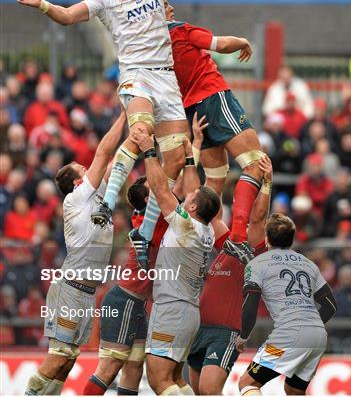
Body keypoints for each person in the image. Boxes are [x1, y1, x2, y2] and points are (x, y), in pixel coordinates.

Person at [14, 0, 232, 274]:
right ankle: (106, 200)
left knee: (176, 160)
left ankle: (144, 232)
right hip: (136, 76)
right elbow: (68, 17)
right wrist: (44, 5)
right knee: (141, 130)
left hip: (166, 78)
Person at [24, 108, 126, 396]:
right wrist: (123, 116)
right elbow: (104, 154)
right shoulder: (77, 197)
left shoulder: (94, 198)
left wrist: (135, 138)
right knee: (58, 356)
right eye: (82, 169)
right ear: (77, 182)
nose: (88, 168)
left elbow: (115, 162)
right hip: (71, 288)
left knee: (68, 360)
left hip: (86, 291)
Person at [163, 0, 266, 248]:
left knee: (215, 182)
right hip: (213, 97)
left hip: (191, 111)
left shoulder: (147, 45)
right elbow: (220, 44)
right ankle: (241, 237)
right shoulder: (179, 31)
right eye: (165, 4)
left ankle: (220, 247)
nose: (172, 7)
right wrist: (242, 41)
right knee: (258, 166)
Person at [129, 128, 219, 396]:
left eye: (190, 199)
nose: (186, 196)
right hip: (188, 310)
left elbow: (159, 188)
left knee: (158, 378)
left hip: (171, 308)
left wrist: (149, 150)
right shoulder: (206, 229)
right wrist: (194, 152)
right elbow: (194, 192)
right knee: (176, 379)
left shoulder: (185, 226)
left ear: (192, 208)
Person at [187, 155, 272, 396]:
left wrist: (266, 184)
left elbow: (257, 219)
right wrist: (216, 168)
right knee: (199, 392)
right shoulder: (228, 246)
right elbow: (211, 216)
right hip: (200, 327)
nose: (242, 224)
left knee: (208, 390)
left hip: (225, 331)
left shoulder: (253, 253)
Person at [237, 213, 337, 396]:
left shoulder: (257, 264)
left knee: (247, 383)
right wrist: (309, 326)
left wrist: (243, 336)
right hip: (318, 336)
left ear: (266, 238)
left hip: (288, 336)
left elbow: (250, 305)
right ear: (292, 239)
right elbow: (331, 305)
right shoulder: (309, 264)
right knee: (293, 390)